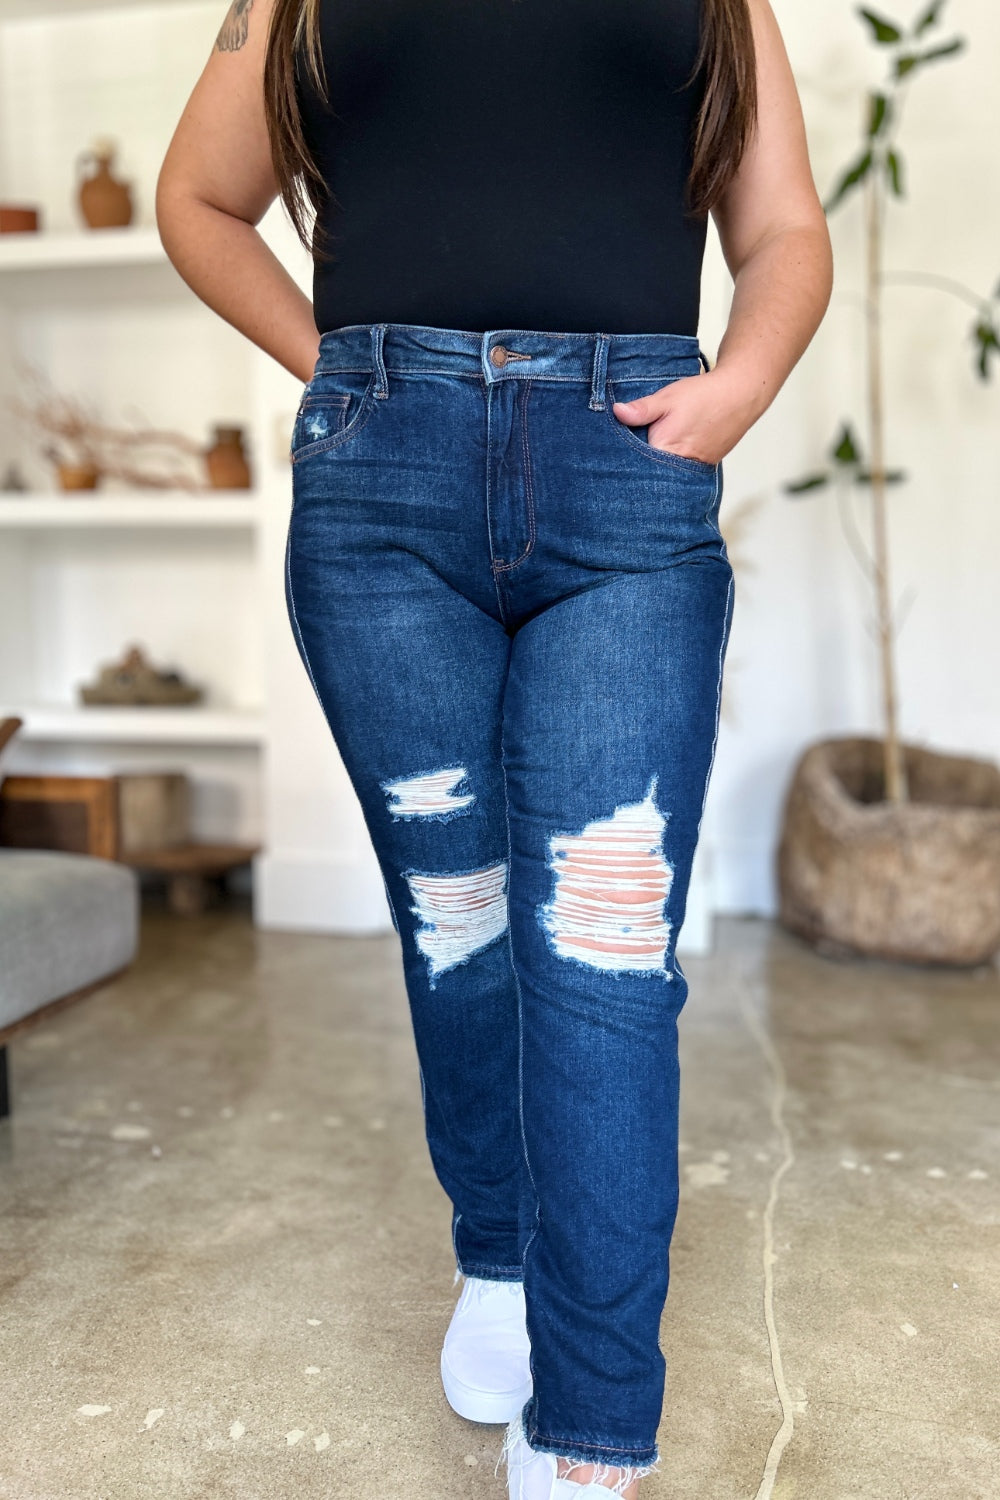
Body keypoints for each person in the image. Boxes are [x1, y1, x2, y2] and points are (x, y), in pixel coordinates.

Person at [156, 1, 832, 1493]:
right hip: (384, 491)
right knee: (457, 920)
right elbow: (195, 202)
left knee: (598, 942)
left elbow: (782, 227)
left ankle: (594, 1426)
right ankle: (504, 1257)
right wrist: (335, 371)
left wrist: (741, 388)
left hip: (626, 484)